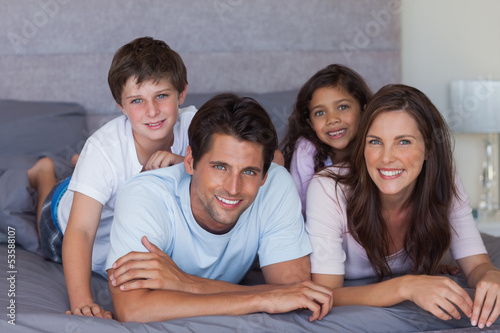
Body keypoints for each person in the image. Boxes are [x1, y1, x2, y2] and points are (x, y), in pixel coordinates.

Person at [105, 93, 333, 322]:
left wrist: (187, 283)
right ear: (190, 161)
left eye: (249, 171)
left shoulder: (276, 184)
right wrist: (261, 299)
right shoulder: (145, 196)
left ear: (264, 175)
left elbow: (291, 291)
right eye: (220, 167)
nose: (233, 188)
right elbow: (132, 309)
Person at [27, 36, 196, 319]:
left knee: (98, 175)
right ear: (121, 106)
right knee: (53, 212)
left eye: (162, 96)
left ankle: (79, 168)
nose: (152, 111)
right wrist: (82, 300)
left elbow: (257, 159)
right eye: (137, 100)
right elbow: (79, 232)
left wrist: (185, 163)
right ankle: (45, 174)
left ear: (182, 95)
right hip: (63, 220)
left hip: (117, 198)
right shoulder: (104, 148)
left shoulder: (197, 128)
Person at [306, 84, 500, 329]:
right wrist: (407, 286)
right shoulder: (328, 188)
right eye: (375, 141)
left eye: (403, 142)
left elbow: (477, 265)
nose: (386, 158)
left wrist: (491, 275)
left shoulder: (444, 182)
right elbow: (327, 293)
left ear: (429, 148)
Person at [281, 64, 372, 217]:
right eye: (320, 112)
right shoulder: (306, 151)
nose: (332, 119)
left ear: (364, 110)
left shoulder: (376, 146)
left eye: (343, 107)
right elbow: (299, 209)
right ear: (310, 122)